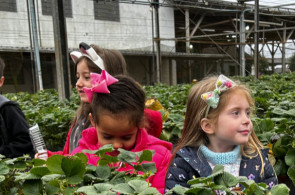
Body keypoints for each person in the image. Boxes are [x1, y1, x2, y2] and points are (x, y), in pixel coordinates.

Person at [46, 42, 162, 157]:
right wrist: (48, 157)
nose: (78, 83)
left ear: (108, 77)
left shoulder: (129, 121)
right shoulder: (82, 117)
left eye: (87, 77)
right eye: (78, 77)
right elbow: (69, 153)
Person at [165, 74, 277, 193]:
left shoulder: (259, 160)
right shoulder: (183, 164)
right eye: (236, 113)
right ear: (208, 126)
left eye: (247, 113)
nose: (246, 120)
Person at [71, 71, 172, 193]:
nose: (117, 145)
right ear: (93, 121)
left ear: (140, 122)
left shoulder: (159, 157)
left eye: (126, 137)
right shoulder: (81, 158)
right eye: (107, 136)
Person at [0, 57, 33, 158]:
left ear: (1, 82)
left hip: (7, 170)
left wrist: (3, 153)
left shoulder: (7, 108)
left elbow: (25, 141)